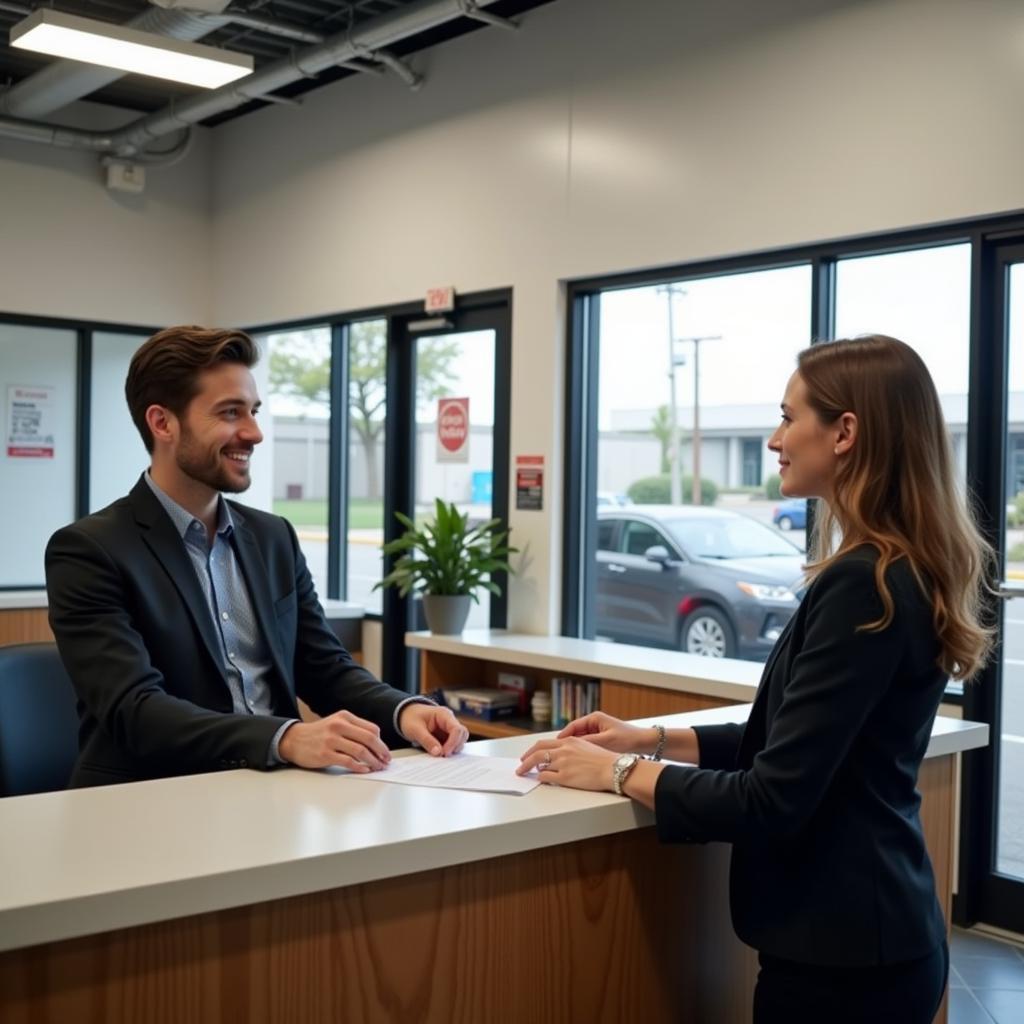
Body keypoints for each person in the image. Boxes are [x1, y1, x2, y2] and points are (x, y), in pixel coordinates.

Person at [517, 335, 994, 1022]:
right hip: (872, 942)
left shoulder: (866, 585)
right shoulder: (891, 570)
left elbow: (772, 798)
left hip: (845, 963)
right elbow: (789, 740)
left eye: (787, 417)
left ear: (845, 433)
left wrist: (613, 774)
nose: (774, 439)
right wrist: (646, 738)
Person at [46, 326, 468, 788]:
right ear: (162, 423)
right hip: (151, 801)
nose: (254, 433)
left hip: (276, 793)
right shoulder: (90, 550)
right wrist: (286, 737)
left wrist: (404, 710)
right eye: (230, 413)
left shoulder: (272, 537)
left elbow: (323, 668)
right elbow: (136, 709)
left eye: (254, 411)